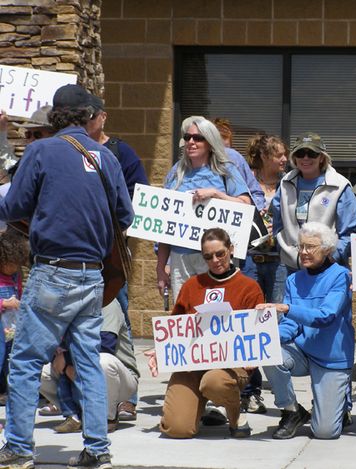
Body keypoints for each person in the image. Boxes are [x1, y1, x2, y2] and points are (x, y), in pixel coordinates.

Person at [0, 84, 133, 468]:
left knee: (24, 362)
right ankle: (96, 449)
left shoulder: (42, 150)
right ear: (90, 116)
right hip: (92, 276)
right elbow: (124, 217)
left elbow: (14, 207)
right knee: (88, 362)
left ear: (56, 116)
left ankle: (20, 449)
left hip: (52, 273)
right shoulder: (106, 157)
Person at [150, 228, 264, 439]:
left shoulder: (250, 287)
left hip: (230, 366)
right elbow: (176, 327)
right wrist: (161, 351)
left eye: (220, 253)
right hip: (192, 364)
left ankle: (235, 413)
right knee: (177, 429)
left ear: (231, 249)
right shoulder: (192, 285)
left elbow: (257, 331)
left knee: (214, 382)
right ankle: (194, 407)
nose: (215, 260)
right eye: (208, 256)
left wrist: (254, 356)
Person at [259, 221, 353, 440]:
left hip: (332, 358)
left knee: (324, 432)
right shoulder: (294, 279)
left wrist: (286, 308)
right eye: (300, 246)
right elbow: (291, 325)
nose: (303, 252)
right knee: (270, 353)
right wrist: (264, 341)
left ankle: (342, 400)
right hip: (302, 352)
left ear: (328, 249)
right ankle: (292, 411)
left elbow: (325, 316)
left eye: (310, 247)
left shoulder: (341, 276)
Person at [86, 93, 149, 422]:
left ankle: (128, 397)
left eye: (89, 117)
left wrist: (120, 227)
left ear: (103, 117)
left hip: (111, 260)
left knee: (119, 324)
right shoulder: (68, 150)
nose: (85, 123)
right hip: (79, 258)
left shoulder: (119, 152)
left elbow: (141, 194)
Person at [156, 116, 252, 303]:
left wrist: (216, 194)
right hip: (180, 258)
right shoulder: (176, 172)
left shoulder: (226, 170)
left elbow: (245, 204)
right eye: (187, 137)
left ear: (210, 142)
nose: (191, 142)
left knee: (217, 312)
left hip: (215, 258)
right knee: (184, 313)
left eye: (198, 138)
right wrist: (161, 267)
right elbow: (164, 225)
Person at [237, 134, 289, 415]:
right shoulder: (245, 183)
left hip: (280, 261)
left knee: (276, 321)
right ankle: (250, 390)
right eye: (278, 154)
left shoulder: (289, 184)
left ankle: (281, 387)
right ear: (264, 157)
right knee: (251, 320)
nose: (284, 159)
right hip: (249, 260)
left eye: (284, 154)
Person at [39, 299, 140, 434]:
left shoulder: (108, 302)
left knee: (104, 361)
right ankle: (76, 414)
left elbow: (105, 345)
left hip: (118, 380)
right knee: (37, 371)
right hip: (78, 369)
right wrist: (62, 362)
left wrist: (68, 360)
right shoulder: (66, 302)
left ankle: (108, 416)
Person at [272, 132, 356, 272]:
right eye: (300, 153)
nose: (305, 158)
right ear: (294, 157)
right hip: (291, 266)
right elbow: (277, 222)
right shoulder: (284, 183)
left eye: (312, 153)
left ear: (321, 157)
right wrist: (282, 248)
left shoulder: (339, 186)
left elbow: (352, 230)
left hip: (327, 268)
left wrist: (332, 256)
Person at [0, 228, 28, 402]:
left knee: (9, 361)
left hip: (11, 327)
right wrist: (4, 303)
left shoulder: (16, 275)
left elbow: (19, 293)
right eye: (11, 264)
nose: (14, 268)